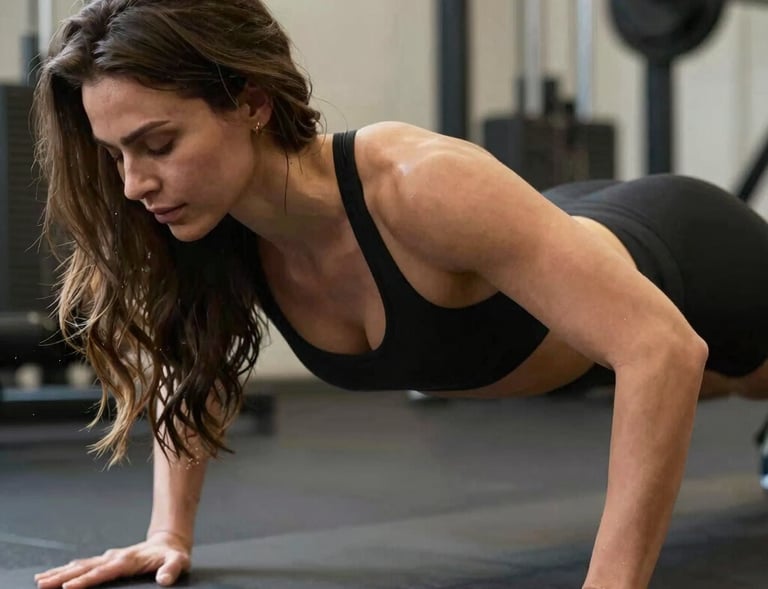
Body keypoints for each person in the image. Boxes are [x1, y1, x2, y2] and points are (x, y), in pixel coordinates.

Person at [29, 1, 768, 588]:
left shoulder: (418, 186)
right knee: (723, 383)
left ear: (251, 103)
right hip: (576, 278)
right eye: (116, 153)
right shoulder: (216, 228)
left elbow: (662, 346)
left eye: (157, 144)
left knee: (737, 372)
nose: (133, 183)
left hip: (689, 251)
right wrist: (169, 531)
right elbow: (191, 361)